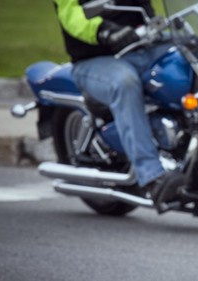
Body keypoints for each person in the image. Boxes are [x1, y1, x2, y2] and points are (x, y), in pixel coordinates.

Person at [53, 0, 182, 212]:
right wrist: (103, 30)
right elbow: (71, 16)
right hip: (95, 58)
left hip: (143, 46)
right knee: (124, 83)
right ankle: (152, 176)